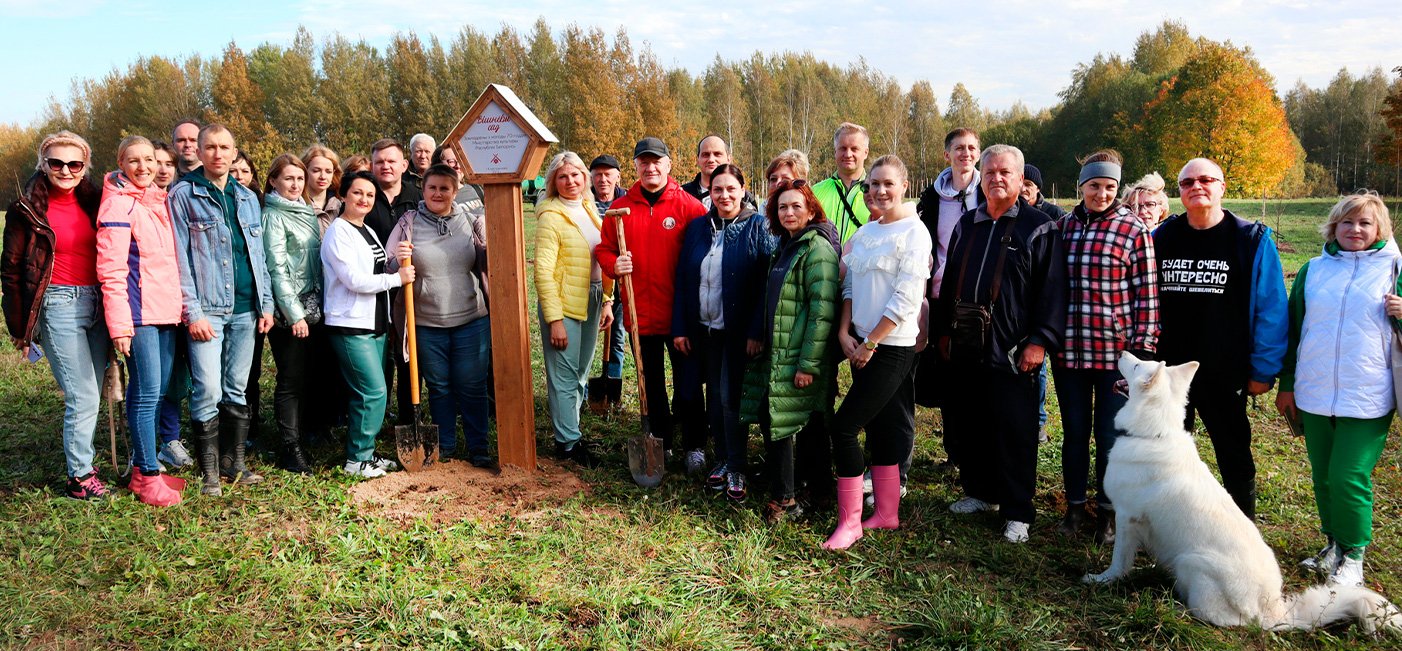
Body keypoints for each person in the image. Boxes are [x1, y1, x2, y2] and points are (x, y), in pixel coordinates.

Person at [938, 145, 1066, 544]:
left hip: (1013, 349)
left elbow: (1053, 290)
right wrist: (943, 330)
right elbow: (950, 279)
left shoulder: (1039, 226)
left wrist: (1039, 341)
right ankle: (980, 492)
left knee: (1015, 430)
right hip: (966, 341)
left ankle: (1017, 511)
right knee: (970, 422)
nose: (996, 178)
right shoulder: (968, 223)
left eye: (1005, 172)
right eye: (989, 171)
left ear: (1019, 176)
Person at [1154, 157, 1288, 521]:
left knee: (1233, 455)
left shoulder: (1250, 240)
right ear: (1178, 191)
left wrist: (1263, 369)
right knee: (1170, 454)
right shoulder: (1161, 237)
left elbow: (1272, 309)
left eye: (1206, 180)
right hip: (1170, 372)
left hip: (1224, 372)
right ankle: (1175, 528)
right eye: (1187, 182)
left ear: (1222, 187)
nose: (1196, 187)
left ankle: (1242, 531)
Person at [1277, 193, 1400, 588]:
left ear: (1380, 229)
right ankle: (1332, 544)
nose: (1355, 230)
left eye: (1365, 223)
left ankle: (1354, 556)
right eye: (1347, 222)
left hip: (1368, 394)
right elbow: (1294, 332)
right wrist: (1288, 385)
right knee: (1324, 476)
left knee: (1349, 475)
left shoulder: (1395, 268)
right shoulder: (1313, 270)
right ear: (1333, 226)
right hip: (1314, 392)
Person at [822, 155, 930, 549]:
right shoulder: (867, 233)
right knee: (882, 427)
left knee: (844, 427)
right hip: (861, 342)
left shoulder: (914, 233)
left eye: (887, 184)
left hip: (891, 347)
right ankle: (886, 513)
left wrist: (871, 342)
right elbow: (849, 285)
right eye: (873, 185)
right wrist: (845, 330)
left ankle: (849, 522)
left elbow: (906, 299)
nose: (879, 191)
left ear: (904, 185)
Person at [1052, 150, 1159, 544]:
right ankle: (1075, 508)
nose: (1102, 193)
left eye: (1110, 187)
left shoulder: (1134, 232)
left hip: (1117, 358)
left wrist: (1141, 353)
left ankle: (1109, 514)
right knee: (1075, 432)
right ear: (1081, 186)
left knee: (1111, 436)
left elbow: (1147, 297)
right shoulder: (1063, 228)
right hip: (1069, 351)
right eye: (1094, 186)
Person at [168, 124, 276, 496]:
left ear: (234, 153)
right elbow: (178, 258)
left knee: (237, 388)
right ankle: (210, 470)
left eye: (225, 147)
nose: (218, 154)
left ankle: (235, 462)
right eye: (210, 147)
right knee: (208, 388)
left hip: (247, 307)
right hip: (209, 309)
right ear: (199, 150)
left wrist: (267, 304)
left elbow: (257, 255)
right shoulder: (183, 195)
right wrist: (192, 312)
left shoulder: (246, 197)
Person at [2, 131, 109, 499]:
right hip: (59, 305)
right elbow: (12, 271)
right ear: (43, 165)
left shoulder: (97, 200)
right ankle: (79, 476)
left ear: (85, 168)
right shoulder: (25, 210)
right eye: (56, 163)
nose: (65, 170)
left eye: (74, 163)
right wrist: (20, 327)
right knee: (83, 395)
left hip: (98, 301)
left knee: (94, 390)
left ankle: (86, 462)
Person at [596, 137, 707, 459]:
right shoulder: (621, 209)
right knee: (652, 386)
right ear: (635, 167)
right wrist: (613, 265)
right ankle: (662, 442)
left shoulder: (689, 207)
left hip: (680, 316)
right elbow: (604, 248)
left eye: (656, 161)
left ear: (669, 165)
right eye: (644, 162)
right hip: (639, 313)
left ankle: (695, 444)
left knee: (687, 386)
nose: (650, 167)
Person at [739, 177, 838, 522]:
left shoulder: (817, 249)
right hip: (778, 353)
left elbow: (822, 310)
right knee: (782, 418)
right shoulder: (786, 247)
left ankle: (789, 498)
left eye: (797, 205)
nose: (789, 212)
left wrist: (807, 364)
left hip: (799, 357)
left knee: (790, 421)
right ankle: (806, 490)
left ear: (811, 210)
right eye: (782, 206)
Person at [675, 164, 776, 495]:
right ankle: (722, 459)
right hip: (706, 330)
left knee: (732, 398)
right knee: (716, 398)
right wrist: (681, 326)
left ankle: (737, 466)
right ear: (710, 192)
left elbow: (764, 285)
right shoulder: (698, 229)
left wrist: (756, 331)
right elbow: (684, 280)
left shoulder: (757, 227)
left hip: (738, 332)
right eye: (718, 189)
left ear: (743, 189)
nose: (724, 195)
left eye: (731, 188)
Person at [95, 135, 185, 505]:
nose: (144, 167)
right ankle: (147, 474)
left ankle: (145, 467)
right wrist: (120, 325)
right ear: (121, 163)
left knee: (155, 390)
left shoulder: (157, 202)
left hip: (165, 314)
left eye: (149, 159)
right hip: (139, 316)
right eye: (134, 160)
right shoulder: (118, 205)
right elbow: (112, 270)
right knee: (146, 393)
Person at [386, 164, 493, 466]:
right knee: (440, 386)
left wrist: (489, 247)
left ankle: (478, 448)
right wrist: (399, 261)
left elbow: (488, 258)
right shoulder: (408, 222)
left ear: (456, 191)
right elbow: (389, 264)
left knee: (472, 385)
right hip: (427, 324)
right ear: (423, 189)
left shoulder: (471, 221)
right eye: (432, 187)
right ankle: (444, 446)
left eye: (445, 188)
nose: (438, 193)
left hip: (471, 319)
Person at [322, 171, 413, 478]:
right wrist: (395, 279)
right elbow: (353, 280)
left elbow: (377, 266)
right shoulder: (339, 232)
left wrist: (397, 260)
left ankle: (367, 453)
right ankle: (356, 459)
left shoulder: (366, 231)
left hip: (375, 322)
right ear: (343, 196)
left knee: (375, 392)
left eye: (369, 195)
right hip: (350, 325)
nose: (363, 199)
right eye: (357, 193)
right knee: (371, 392)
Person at [534, 152, 614, 468]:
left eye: (576, 175)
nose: (570, 182)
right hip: (565, 303)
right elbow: (542, 270)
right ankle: (567, 444)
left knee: (580, 371)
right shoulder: (550, 216)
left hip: (592, 298)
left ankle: (572, 430)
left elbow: (603, 256)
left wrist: (607, 299)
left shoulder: (588, 209)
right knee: (565, 375)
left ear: (585, 178)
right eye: (563, 177)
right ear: (553, 181)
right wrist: (555, 320)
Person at [915, 127, 982, 465]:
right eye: (959, 148)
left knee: (974, 379)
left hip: (977, 302)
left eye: (971, 148)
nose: (965, 154)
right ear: (947, 154)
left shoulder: (988, 192)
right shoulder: (931, 197)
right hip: (940, 297)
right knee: (946, 378)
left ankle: (976, 452)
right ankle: (955, 452)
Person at [261, 154, 321, 475]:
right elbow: (277, 268)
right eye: (289, 179)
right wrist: (294, 314)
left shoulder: (304, 210)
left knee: (306, 376)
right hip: (290, 310)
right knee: (290, 379)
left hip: (310, 304)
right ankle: (289, 448)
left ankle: (303, 434)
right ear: (273, 181)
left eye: (299, 179)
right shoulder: (274, 216)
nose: (296, 184)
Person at [366, 138, 423, 426]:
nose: (385, 166)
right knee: (379, 355)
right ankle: (377, 415)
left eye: (391, 161)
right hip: (372, 289)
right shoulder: (363, 195)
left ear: (404, 165)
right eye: (379, 162)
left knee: (408, 354)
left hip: (409, 289)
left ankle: (407, 416)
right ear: (372, 165)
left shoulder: (417, 196)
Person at [1021, 163, 1063, 442]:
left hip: (1040, 304)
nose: (1024, 190)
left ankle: (1038, 421)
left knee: (1039, 367)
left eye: (1029, 185)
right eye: (1021, 183)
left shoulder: (1053, 216)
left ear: (1038, 189)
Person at [590, 154, 627, 381]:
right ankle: (583, 389)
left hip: (620, 277)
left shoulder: (627, 202)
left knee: (618, 335)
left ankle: (613, 382)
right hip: (592, 277)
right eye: (598, 175)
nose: (603, 179)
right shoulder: (584, 202)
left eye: (608, 174)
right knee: (589, 335)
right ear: (591, 178)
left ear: (617, 177)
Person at [811, 123, 871, 244]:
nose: (848, 154)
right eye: (843, 148)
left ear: (865, 152)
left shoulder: (877, 194)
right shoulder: (814, 193)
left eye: (854, 149)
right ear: (835, 151)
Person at [680, 135, 758, 211]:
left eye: (717, 154)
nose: (711, 159)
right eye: (705, 155)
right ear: (698, 160)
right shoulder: (682, 194)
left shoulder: (743, 198)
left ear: (729, 159)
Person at [303, 145, 343, 235]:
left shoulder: (341, 207)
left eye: (328, 171)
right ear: (304, 171)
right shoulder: (295, 205)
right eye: (316, 170)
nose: (323, 177)